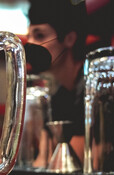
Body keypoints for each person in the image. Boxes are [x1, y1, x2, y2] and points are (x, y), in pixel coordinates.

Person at [25, 0, 88, 165]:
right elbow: (42, 161)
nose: (30, 44)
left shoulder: (91, 89)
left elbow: (78, 160)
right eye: (29, 36)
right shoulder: (57, 96)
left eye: (39, 36)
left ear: (69, 39)